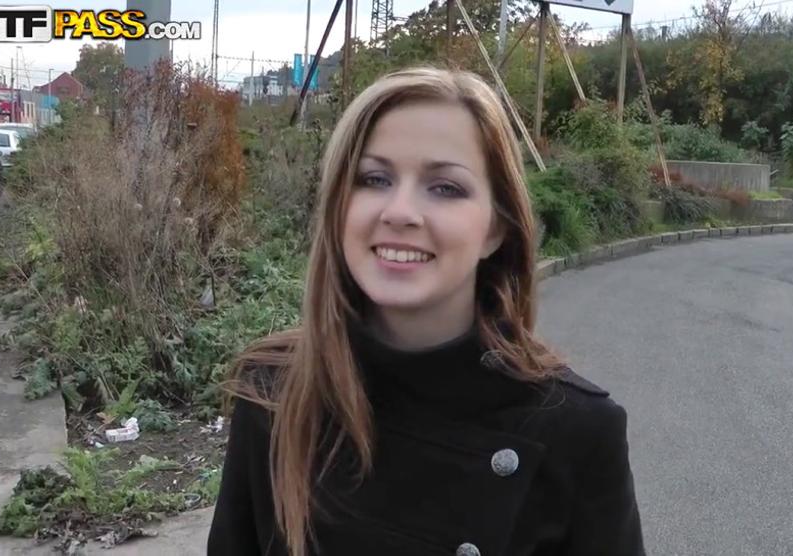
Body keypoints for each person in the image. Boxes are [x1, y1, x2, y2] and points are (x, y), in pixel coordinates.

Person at [207, 67, 645, 556]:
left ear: (496, 228)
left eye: (445, 188)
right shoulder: (273, 391)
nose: (399, 212)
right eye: (374, 179)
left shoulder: (578, 431)